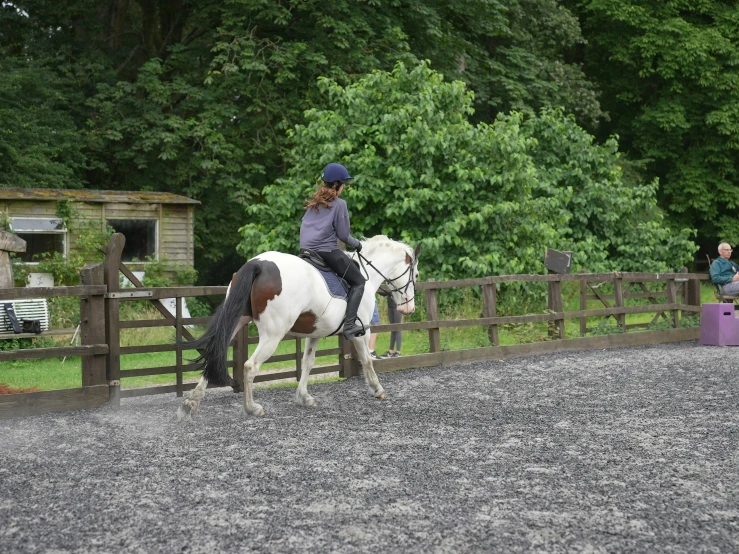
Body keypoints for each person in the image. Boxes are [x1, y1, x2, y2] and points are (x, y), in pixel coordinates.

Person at [300, 162, 366, 339]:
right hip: (326, 252)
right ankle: (350, 326)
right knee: (359, 281)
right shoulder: (339, 204)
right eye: (343, 183)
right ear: (337, 184)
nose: (344, 187)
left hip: (305, 251)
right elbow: (344, 235)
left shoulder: (314, 203)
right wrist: (357, 244)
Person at [379, 288, 403, 358]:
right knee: (392, 328)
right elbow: (385, 292)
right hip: (390, 306)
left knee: (397, 328)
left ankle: (398, 352)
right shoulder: (389, 284)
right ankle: (391, 351)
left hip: (397, 305)